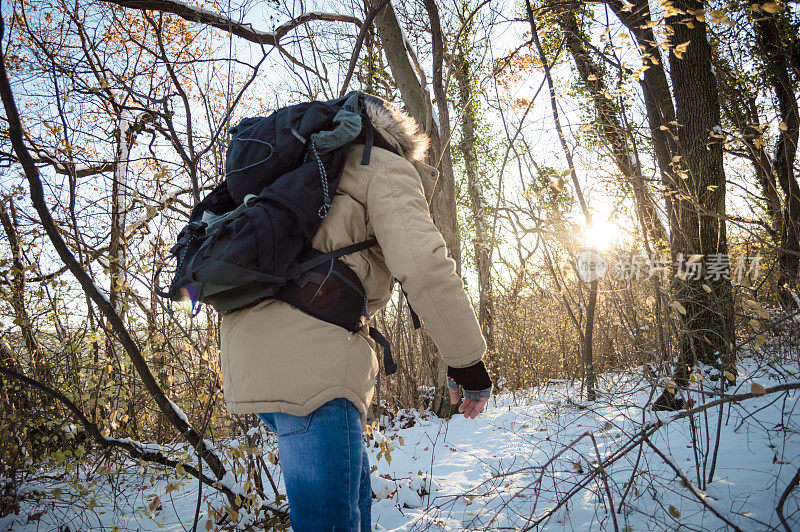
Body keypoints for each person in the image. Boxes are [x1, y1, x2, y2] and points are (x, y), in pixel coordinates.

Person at [220, 95, 492, 531]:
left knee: (347, 512)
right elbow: (423, 263)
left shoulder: (300, 171)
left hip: (253, 355)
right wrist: (467, 361)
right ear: (399, 134)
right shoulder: (381, 166)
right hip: (312, 366)